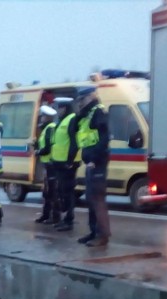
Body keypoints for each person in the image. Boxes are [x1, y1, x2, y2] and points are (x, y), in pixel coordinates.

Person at [74, 86, 111, 247]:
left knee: (97, 199)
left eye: (82, 99)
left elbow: (104, 139)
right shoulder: (88, 114)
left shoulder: (98, 112)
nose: (80, 103)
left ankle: (102, 236)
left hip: (97, 162)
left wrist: (94, 159)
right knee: (91, 198)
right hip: (90, 163)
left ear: (90, 97)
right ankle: (93, 232)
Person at [51, 97, 80, 231]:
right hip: (59, 162)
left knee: (67, 192)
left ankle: (69, 220)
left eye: (60, 108)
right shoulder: (62, 121)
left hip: (67, 163)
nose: (58, 111)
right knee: (62, 191)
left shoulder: (71, 119)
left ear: (66, 108)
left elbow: (74, 142)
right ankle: (65, 219)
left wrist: (69, 161)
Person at [34, 105, 58, 224]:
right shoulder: (47, 128)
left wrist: (37, 151)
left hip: (50, 164)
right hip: (47, 164)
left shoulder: (50, 128)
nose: (41, 118)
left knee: (51, 192)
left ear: (48, 117)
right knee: (46, 192)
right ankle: (46, 215)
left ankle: (52, 217)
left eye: (43, 116)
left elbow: (47, 148)